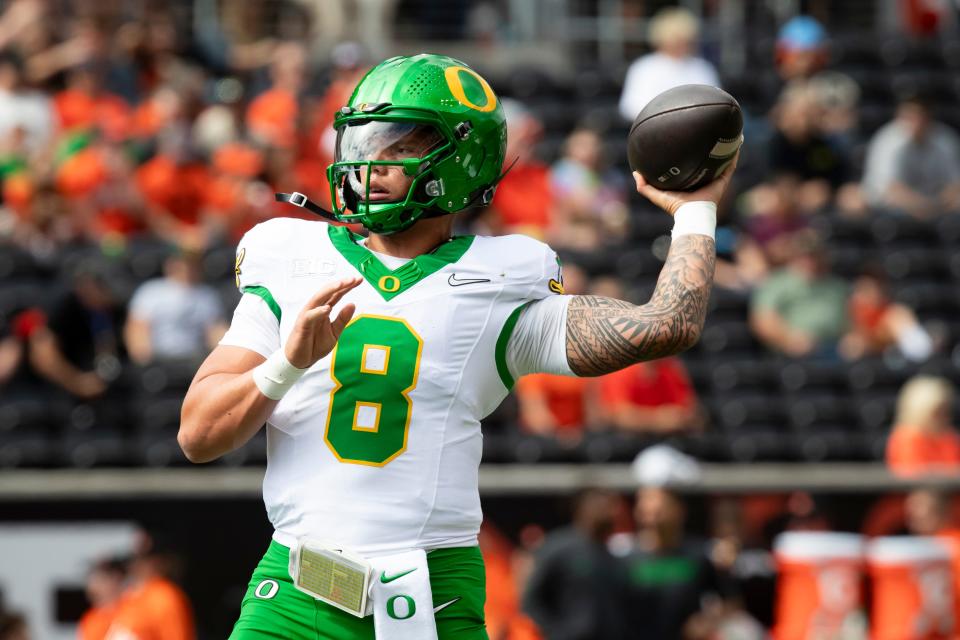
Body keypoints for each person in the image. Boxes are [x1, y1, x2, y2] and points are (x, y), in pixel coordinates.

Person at [179, 53, 734, 639]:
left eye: (397, 145)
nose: (369, 162)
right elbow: (197, 435)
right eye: (362, 141)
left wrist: (696, 212)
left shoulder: (503, 278)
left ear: (461, 161)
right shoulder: (290, 255)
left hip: (433, 599)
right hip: (297, 593)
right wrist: (286, 364)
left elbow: (669, 323)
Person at [613, 446, 737, 640]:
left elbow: (730, 601)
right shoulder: (622, 556)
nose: (652, 508)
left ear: (680, 509)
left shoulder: (700, 554)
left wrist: (708, 621)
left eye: (659, 500)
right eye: (646, 499)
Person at [522, 489, 627, 640]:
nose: (608, 512)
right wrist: (555, 632)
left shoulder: (616, 551)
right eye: (600, 505)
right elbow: (532, 600)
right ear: (583, 509)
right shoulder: (558, 548)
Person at [749, 233, 849, 358]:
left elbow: (853, 320)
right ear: (793, 256)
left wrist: (853, 340)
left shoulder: (837, 285)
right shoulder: (776, 283)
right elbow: (763, 322)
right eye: (804, 255)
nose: (810, 260)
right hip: (791, 353)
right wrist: (788, 339)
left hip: (834, 349)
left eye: (814, 255)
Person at [861, 94, 960, 217]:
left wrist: (938, 203)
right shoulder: (887, 140)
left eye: (917, 117)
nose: (913, 123)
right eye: (907, 117)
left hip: (936, 204)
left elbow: (956, 185)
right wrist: (924, 206)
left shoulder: (946, 140)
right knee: (852, 199)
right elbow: (890, 190)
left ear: (928, 118)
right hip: (891, 205)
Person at [124, 247, 227, 365]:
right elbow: (137, 328)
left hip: (194, 359)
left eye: (191, 264)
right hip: (159, 359)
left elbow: (215, 331)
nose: (186, 268)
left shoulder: (207, 295)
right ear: (170, 265)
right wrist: (143, 361)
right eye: (181, 264)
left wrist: (222, 358)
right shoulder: (150, 291)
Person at [618, 7, 720, 121]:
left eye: (686, 39)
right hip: (655, 131)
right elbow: (631, 107)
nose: (682, 44)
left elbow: (717, 105)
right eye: (676, 39)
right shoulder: (644, 67)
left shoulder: (702, 68)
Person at [105, 531, 195, 640]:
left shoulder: (165, 596)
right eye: (134, 558)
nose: (136, 564)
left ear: (160, 561)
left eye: (144, 559)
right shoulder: (131, 595)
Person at [886, 375, 960, 476]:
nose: (944, 417)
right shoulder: (907, 437)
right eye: (938, 412)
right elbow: (914, 476)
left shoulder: (950, 437)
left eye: (946, 411)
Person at [78, 557, 127, 640]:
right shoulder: (90, 619)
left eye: (100, 579)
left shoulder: (136, 609)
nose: (93, 587)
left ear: (116, 578)